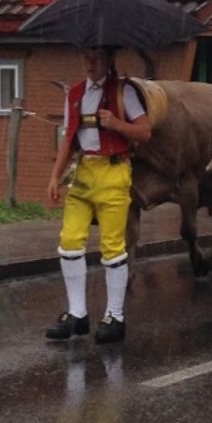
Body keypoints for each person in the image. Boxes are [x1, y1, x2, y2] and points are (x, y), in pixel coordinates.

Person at [45, 47, 151, 344]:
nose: (89, 64)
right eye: (86, 58)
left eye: (96, 58)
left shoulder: (123, 92)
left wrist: (116, 124)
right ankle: (77, 313)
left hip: (114, 171)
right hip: (84, 172)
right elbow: (69, 138)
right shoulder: (75, 93)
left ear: (109, 61)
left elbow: (144, 132)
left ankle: (114, 315)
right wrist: (55, 176)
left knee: (112, 245)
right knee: (69, 241)